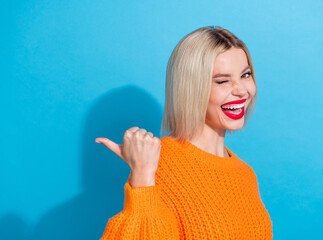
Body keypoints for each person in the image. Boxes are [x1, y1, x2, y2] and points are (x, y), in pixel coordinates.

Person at [95, 26, 273, 239]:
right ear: (191, 87)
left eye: (246, 75)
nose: (242, 90)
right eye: (222, 81)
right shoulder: (159, 163)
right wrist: (142, 175)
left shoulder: (245, 174)